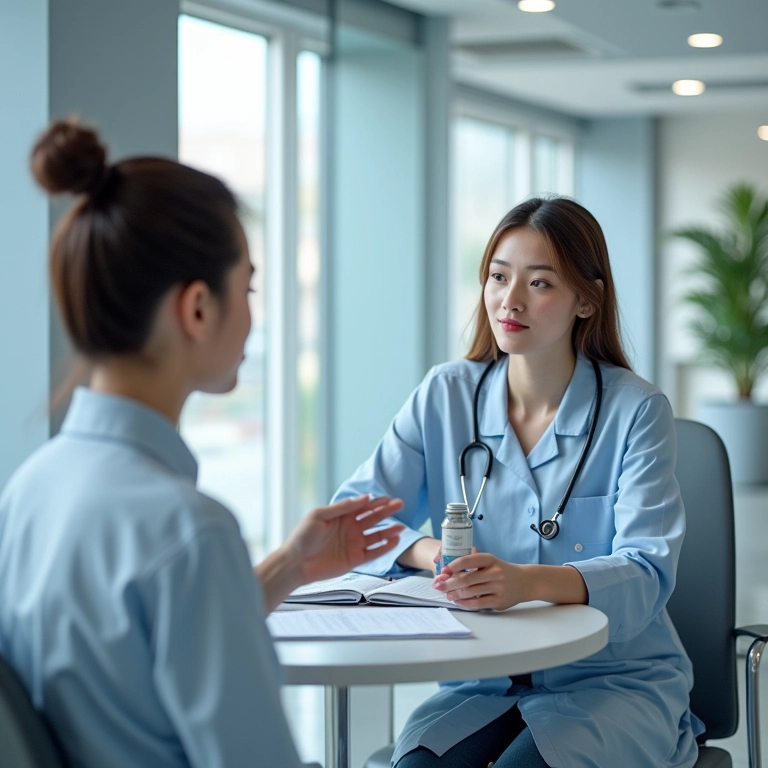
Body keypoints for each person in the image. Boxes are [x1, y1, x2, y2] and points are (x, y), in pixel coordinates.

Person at [0, 118, 404, 768]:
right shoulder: (190, 531)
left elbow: (132, 652)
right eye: (247, 288)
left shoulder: (30, 491)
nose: (252, 315)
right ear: (196, 308)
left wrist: (289, 566)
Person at [332, 197, 704, 768]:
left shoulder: (636, 411)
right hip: (481, 680)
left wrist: (524, 581)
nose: (511, 300)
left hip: (611, 680)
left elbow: (646, 572)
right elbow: (356, 516)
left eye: (540, 283)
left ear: (587, 300)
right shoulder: (445, 395)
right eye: (499, 277)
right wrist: (437, 554)